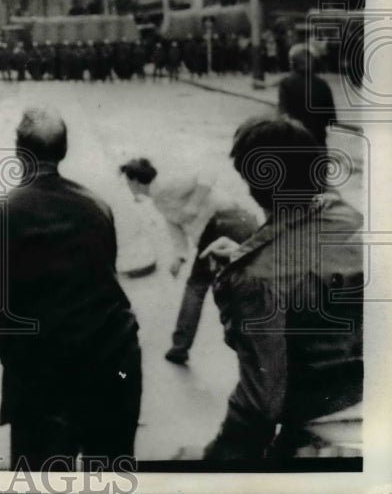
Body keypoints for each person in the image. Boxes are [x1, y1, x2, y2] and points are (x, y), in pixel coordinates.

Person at [0, 108, 141, 471]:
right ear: (62, 151)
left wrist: (10, 355)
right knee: (109, 474)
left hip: (42, 373)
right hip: (113, 361)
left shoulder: (0, 215)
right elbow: (105, 275)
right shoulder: (97, 205)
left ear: (19, 153)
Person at [203, 116, 363, 460]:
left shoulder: (253, 278)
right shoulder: (345, 215)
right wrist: (249, 255)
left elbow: (259, 406)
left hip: (320, 433)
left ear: (250, 182)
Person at [119, 158, 260, 366]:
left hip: (224, 222)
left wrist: (194, 204)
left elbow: (208, 173)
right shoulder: (159, 200)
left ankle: (180, 347)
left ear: (135, 180)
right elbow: (175, 228)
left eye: (127, 182)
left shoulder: (166, 184)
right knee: (239, 285)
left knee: (197, 287)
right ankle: (256, 345)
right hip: (235, 223)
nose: (128, 187)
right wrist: (180, 257)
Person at [278, 43, 337, 148]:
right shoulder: (322, 85)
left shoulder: (286, 84)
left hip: (294, 141)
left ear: (292, 63)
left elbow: (283, 115)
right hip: (317, 140)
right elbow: (330, 119)